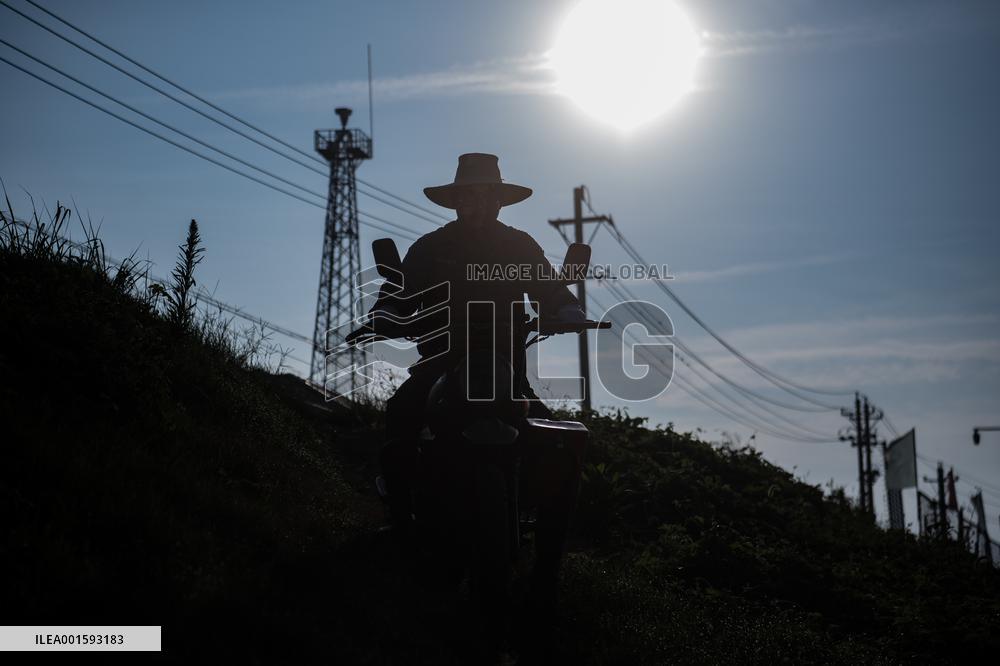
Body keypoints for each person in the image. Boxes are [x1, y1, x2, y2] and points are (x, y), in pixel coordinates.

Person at [372, 153, 586, 654]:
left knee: (559, 442)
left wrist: (565, 307)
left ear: (497, 198)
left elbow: (549, 288)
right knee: (402, 412)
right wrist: (387, 310)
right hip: (442, 362)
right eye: (466, 195)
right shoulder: (432, 247)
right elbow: (400, 292)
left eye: (485, 194)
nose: (476, 202)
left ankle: (546, 570)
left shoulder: (520, 245)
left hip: (506, 366)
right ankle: (402, 519)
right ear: (455, 200)